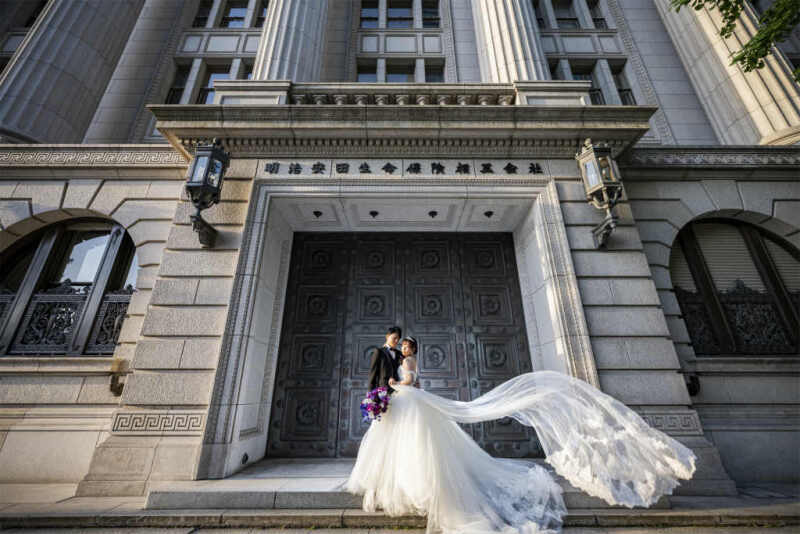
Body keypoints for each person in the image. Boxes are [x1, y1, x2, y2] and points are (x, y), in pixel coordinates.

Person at [345, 335, 697, 534]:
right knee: (409, 445)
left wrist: (392, 384)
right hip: (409, 404)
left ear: (411, 350)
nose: (404, 349)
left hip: (409, 400)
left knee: (420, 444)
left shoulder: (407, 364)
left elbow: (409, 381)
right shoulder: (398, 356)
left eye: (407, 346)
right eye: (401, 345)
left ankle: (415, 486)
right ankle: (407, 484)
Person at [367, 326, 403, 394]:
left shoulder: (400, 354)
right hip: (383, 392)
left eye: (398, 339)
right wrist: (371, 394)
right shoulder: (379, 352)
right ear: (387, 336)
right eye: (394, 338)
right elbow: (373, 374)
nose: (396, 341)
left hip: (398, 392)